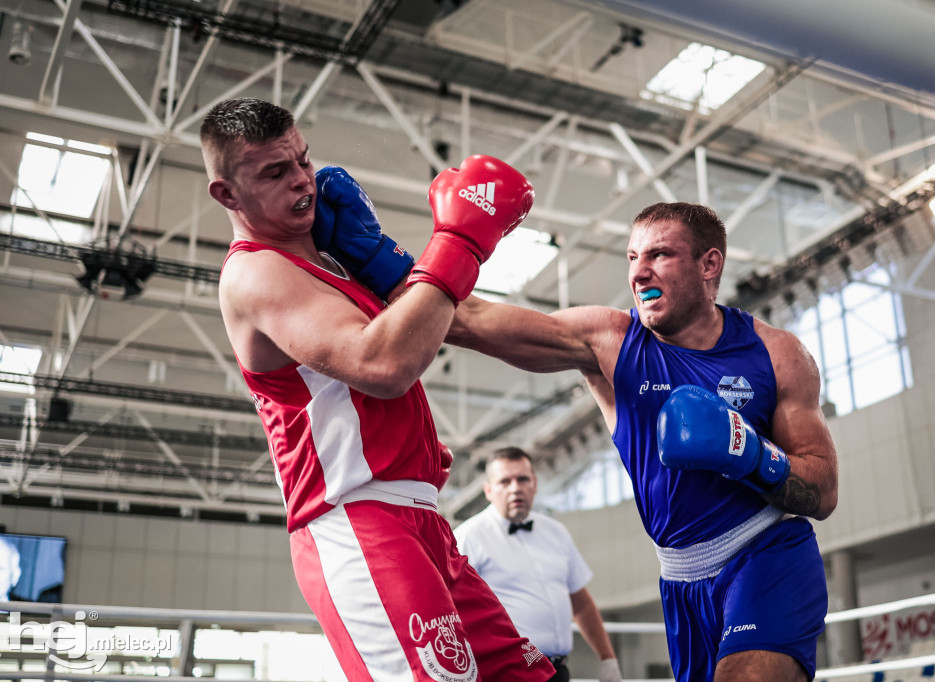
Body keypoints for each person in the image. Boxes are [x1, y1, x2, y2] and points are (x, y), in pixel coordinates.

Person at [315, 191, 839, 681]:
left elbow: (824, 491)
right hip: (681, 579)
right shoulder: (610, 340)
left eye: (659, 255)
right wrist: (371, 254)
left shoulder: (776, 354)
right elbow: (466, 319)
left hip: (766, 552)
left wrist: (751, 455)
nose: (640, 272)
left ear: (709, 264)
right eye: (632, 258)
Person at [203, 96, 556, 681]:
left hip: (422, 520)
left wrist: (381, 260)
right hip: (356, 520)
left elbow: (455, 321)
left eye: (303, 161)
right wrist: (459, 241)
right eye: (274, 172)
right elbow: (385, 362)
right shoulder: (254, 272)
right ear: (227, 194)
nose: (302, 182)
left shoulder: (336, 265)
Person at [454, 448, 623, 682]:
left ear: (534, 484)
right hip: (504, 674)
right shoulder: (466, 538)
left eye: (522, 479)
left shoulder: (556, 532)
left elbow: (581, 603)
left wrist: (608, 659)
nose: (515, 488)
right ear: (489, 490)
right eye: (505, 481)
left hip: (558, 672)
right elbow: (451, 610)